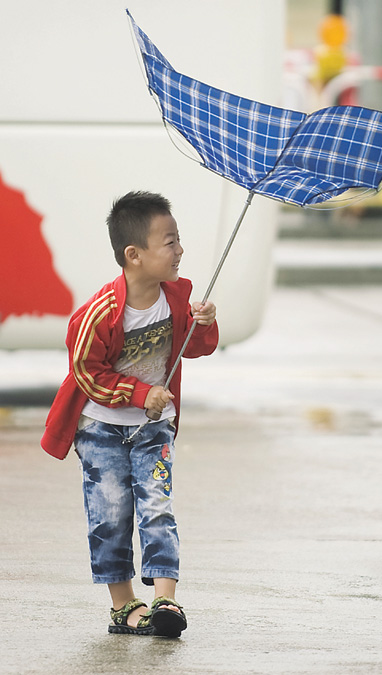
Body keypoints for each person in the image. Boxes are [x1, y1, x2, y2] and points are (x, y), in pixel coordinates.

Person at [41, 191, 218, 637]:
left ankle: (166, 601)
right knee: (110, 513)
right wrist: (140, 394)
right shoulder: (98, 314)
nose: (180, 251)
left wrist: (204, 323)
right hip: (101, 429)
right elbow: (85, 371)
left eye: (179, 241)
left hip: (152, 430)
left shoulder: (178, 299)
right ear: (133, 255)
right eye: (170, 242)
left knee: (157, 506)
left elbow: (195, 349)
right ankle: (124, 606)